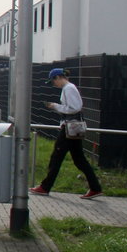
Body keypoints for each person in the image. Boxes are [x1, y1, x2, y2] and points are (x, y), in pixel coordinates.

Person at [30, 68, 103, 199]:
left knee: (56, 157)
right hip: (73, 127)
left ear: (58, 77)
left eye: (53, 81)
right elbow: (74, 108)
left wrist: (55, 106)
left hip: (69, 128)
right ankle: (95, 187)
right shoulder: (70, 88)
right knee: (79, 160)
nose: (54, 84)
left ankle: (45, 187)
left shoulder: (68, 89)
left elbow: (74, 108)